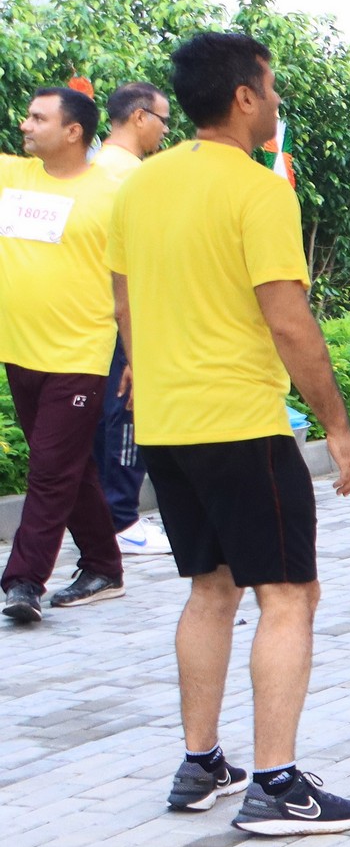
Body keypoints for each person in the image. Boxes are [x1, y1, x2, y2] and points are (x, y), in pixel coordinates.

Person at [109, 32, 350, 835]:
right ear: (245, 96)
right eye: (272, 87)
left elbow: (124, 302)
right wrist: (338, 428)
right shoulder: (259, 191)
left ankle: (201, 764)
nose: (278, 100)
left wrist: (144, 372)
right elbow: (288, 319)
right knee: (289, 594)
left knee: (210, 587)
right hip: (240, 425)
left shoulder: (141, 187)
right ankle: (277, 785)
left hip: (166, 422)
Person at [3, 86, 126, 621]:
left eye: (38, 118)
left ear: (73, 131)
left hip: (79, 356)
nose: (25, 125)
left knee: (51, 471)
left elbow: (128, 286)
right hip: (19, 351)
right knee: (70, 467)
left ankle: (23, 581)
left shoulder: (112, 195)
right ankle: (104, 566)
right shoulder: (12, 175)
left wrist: (137, 357)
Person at [92, 79, 170, 555]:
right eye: (163, 120)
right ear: (140, 117)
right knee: (126, 413)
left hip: (89, 319)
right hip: (127, 317)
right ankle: (121, 519)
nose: (165, 130)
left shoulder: (91, 168)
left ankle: (106, 520)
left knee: (102, 420)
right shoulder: (136, 178)